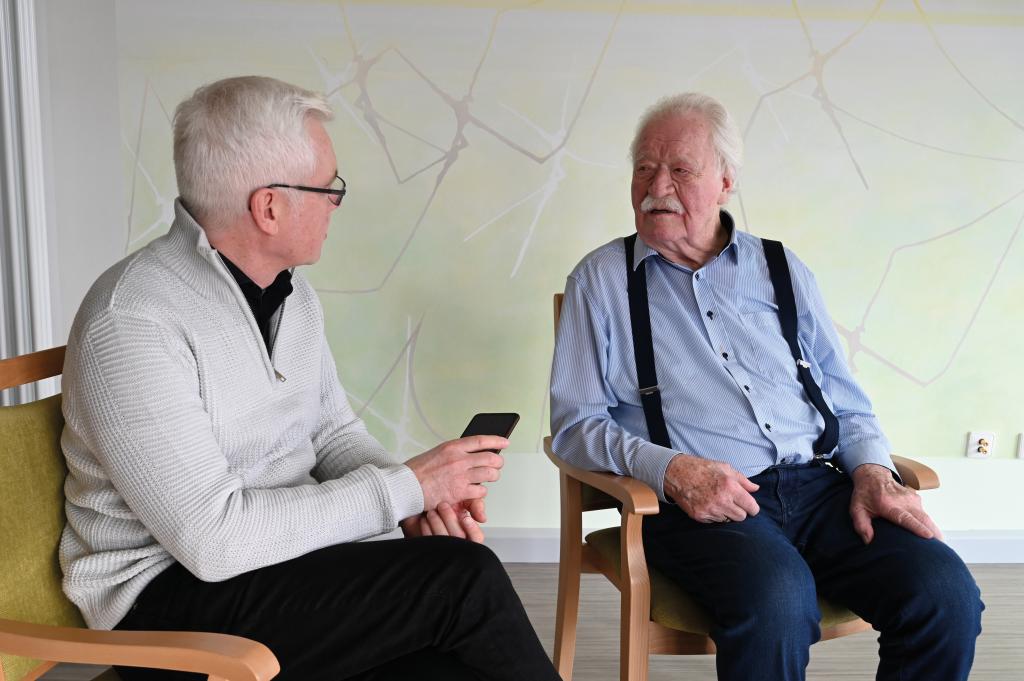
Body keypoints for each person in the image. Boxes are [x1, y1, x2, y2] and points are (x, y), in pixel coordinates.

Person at [60, 75, 559, 681]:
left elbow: (329, 435)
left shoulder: (291, 297)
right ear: (269, 206)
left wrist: (412, 507)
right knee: (462, 581)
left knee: (451, 652)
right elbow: (214, 542)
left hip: (280, 568)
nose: (336, 203)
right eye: (328, 188)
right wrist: (402, 489)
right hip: (165, 605)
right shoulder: (132, 320)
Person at [549, 92, 983, 681]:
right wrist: (672, 470)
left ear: (726, 182)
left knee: (945, 594)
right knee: (778, 603)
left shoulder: (781, 269)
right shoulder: (599, 282)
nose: (658, 185)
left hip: (820, 489)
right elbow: (575, 428)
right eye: (645, 168)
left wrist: (874, 473)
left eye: (681, 169)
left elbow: (845, 398)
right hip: (694, 505)